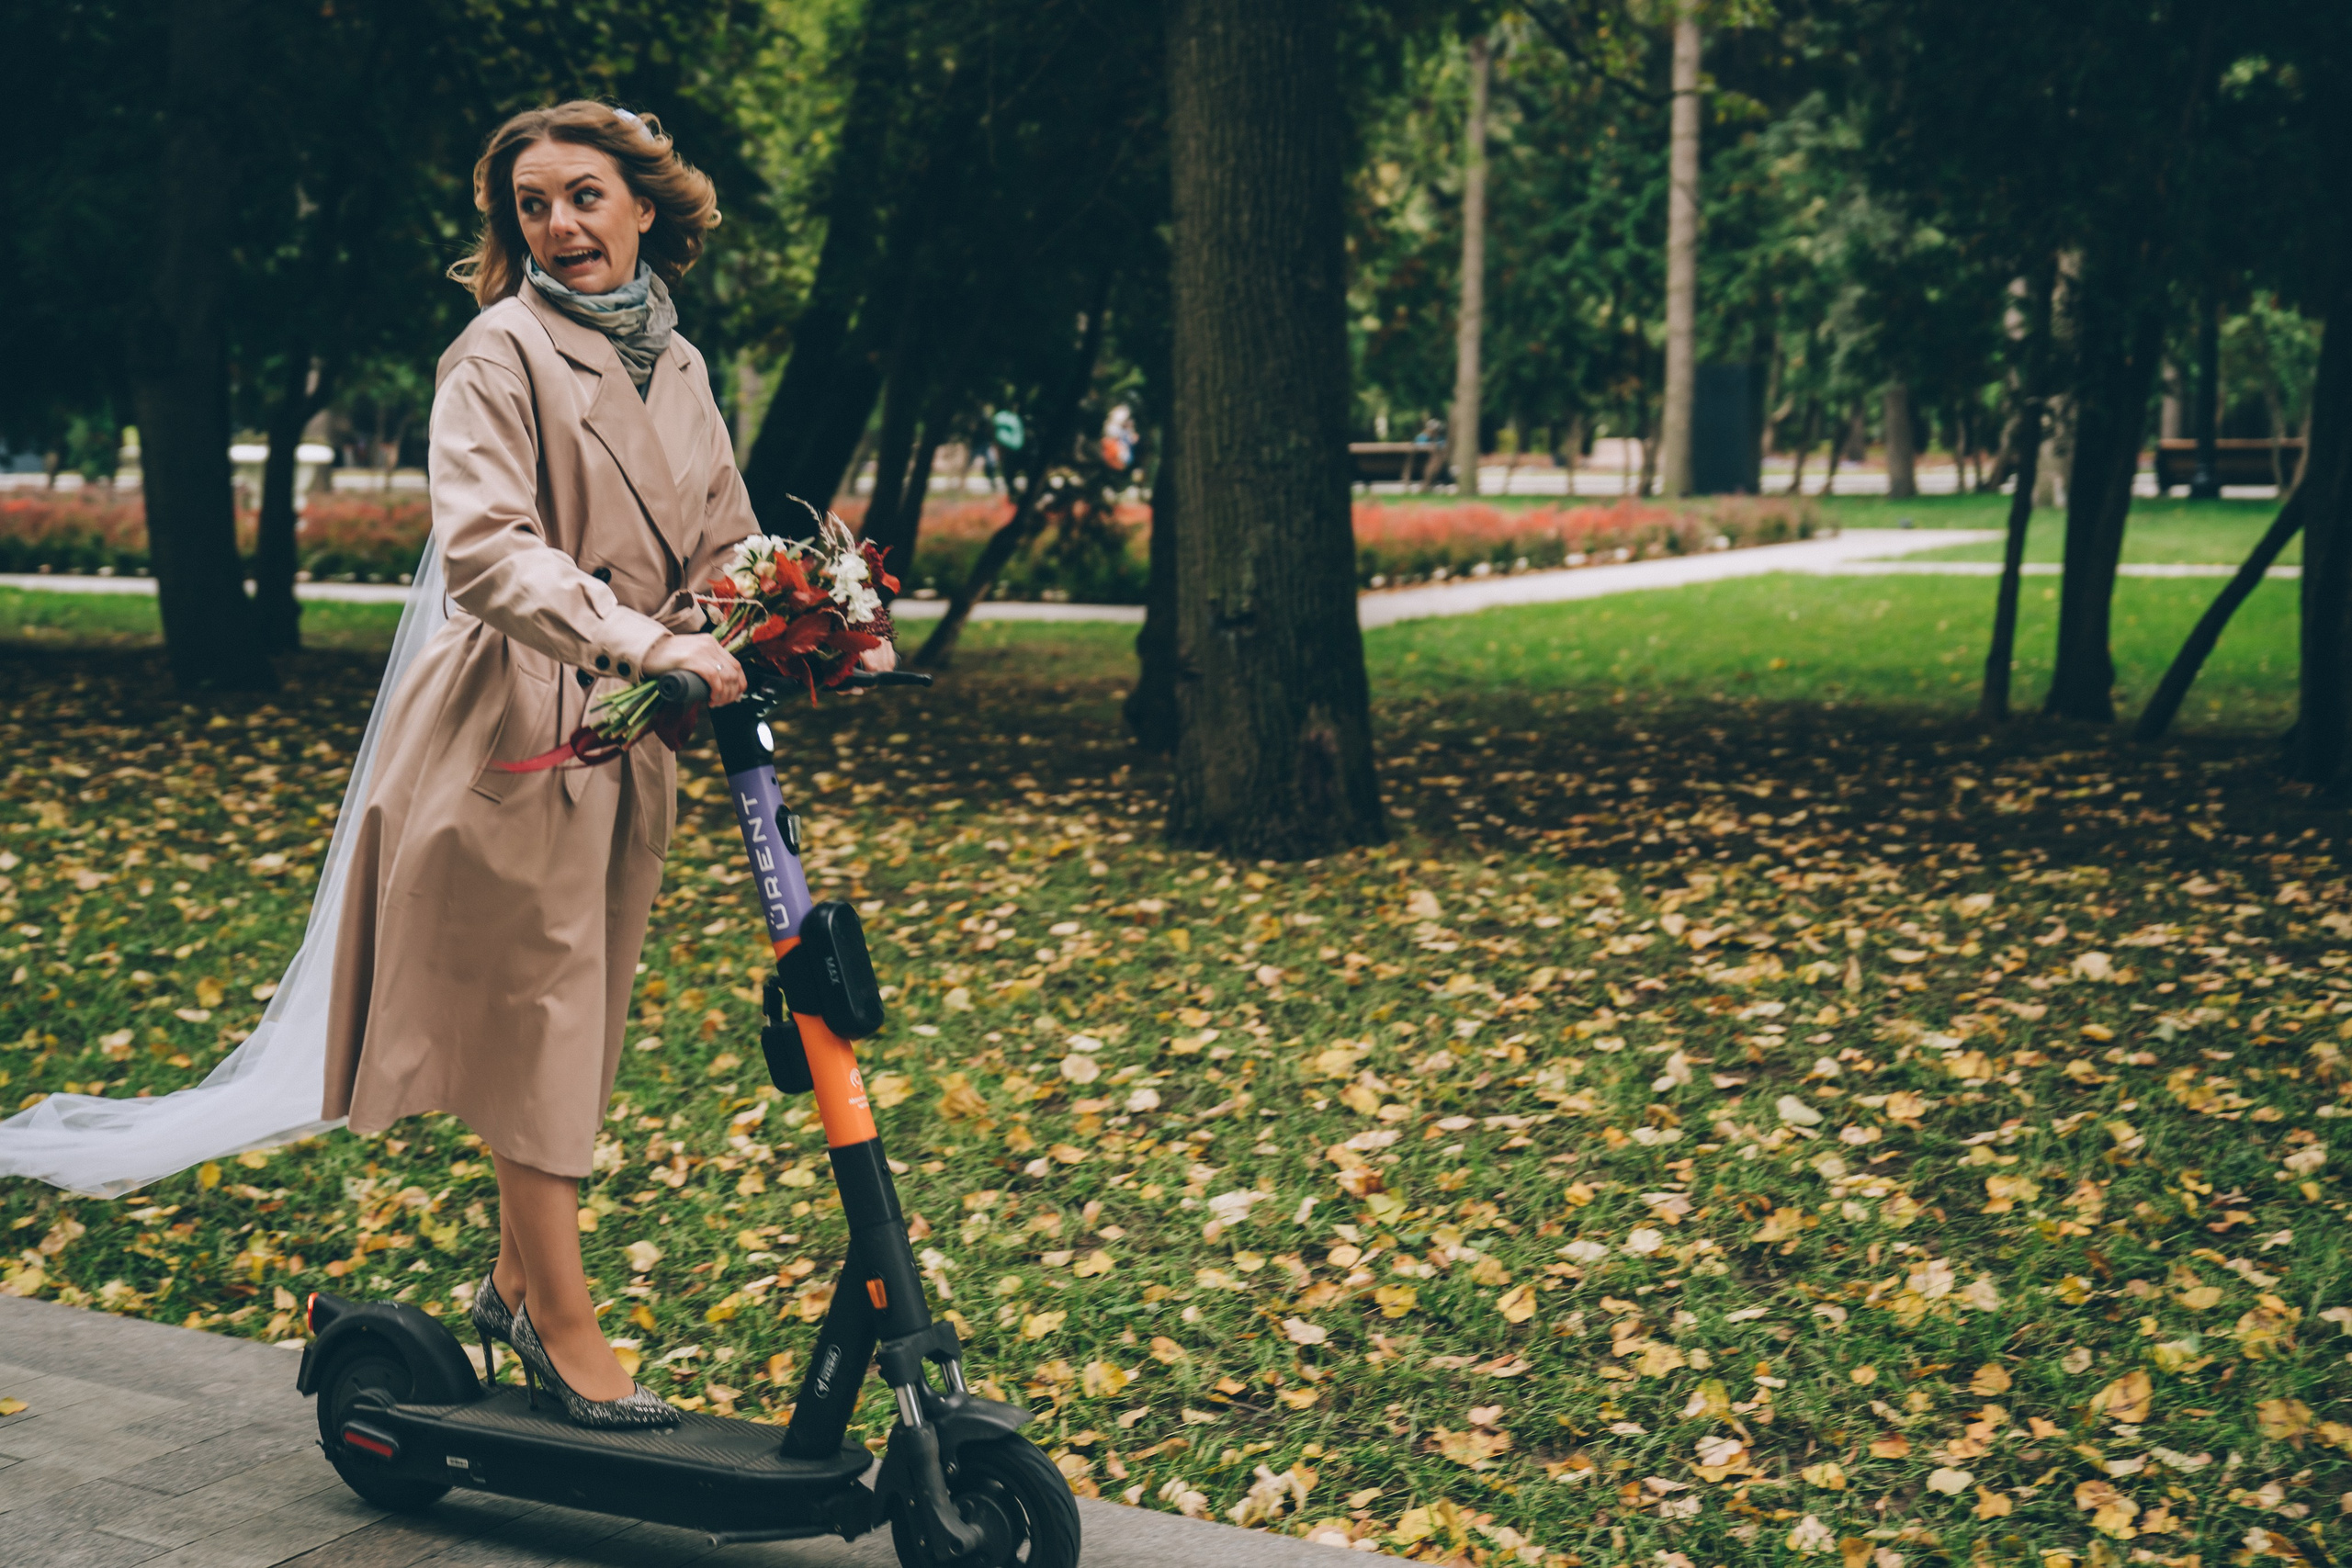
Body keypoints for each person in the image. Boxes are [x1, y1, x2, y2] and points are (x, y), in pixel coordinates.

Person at [318, 101, 891, 1428]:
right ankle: (562, 1328)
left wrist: (812, 629)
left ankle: (516, 1288)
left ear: (645, 207)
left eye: (584, 196)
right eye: (531, 206)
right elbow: (488, 549)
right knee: (545, 1021)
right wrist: (645, 641)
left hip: (634, 732)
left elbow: (726, 547)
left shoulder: (677, 365)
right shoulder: (497, 354)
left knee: (572, 1019)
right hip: (515, 723)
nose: (558, 226)